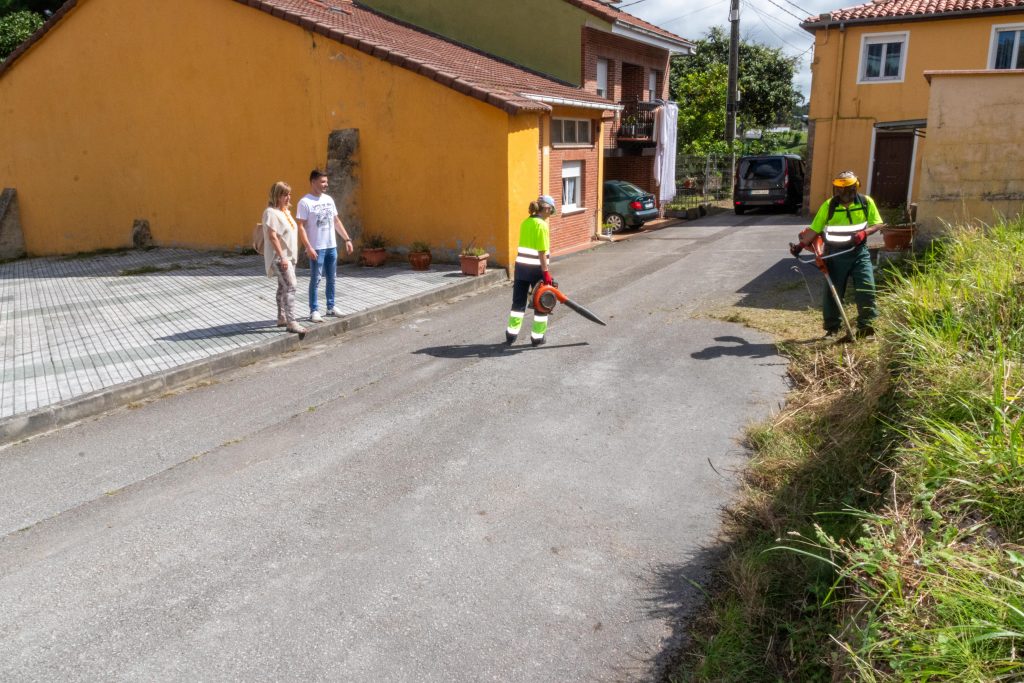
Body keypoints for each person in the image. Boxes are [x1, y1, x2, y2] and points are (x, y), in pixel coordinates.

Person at [790, 170, 884, 337]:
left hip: (858, 252)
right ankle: (832, 329)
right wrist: (800, 245)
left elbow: (878, 224)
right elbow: (814, 229)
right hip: (834, 254)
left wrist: (865, 233)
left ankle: (866, 328)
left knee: (866, 288)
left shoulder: (865, 203)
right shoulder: (829, 205)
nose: (843, 193)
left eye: (847, 189)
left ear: (855, 187)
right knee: (833, 292)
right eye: (839, 190)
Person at [296, 169, 355, 323]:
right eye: (322, 182)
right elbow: (300, 226)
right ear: (313, 182)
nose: (325, 185)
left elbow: (336, 221)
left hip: (331, 246)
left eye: (326, 182)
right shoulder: (305, 202)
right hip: (316, 247)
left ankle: (331, 307)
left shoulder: (328, 199)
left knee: (332, 278)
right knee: (316, 279)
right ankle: (314, 310)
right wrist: (308, 247)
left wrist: (347, 239)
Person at [263, 181, 316, 336]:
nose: (288, 197)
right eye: (284, 194)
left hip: (289, 257)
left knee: (283, 286)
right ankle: (292, 322)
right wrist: (282, 257)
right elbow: (273, 237)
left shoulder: (285, 211)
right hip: (280, 257)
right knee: (291, 286)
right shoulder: (270, 213)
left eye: (289, 194)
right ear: (276, 196)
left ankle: (282, 317)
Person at [505, 195, 556, 347]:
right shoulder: (542, 225)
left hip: (521, 269)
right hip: (536, 271)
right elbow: (541, 251)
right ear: (546, 208)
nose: (551, 214)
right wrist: (545, 272)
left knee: (518, 303)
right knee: (542, 303)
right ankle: (537, 338)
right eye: (551, 210)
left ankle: (511, 335)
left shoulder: (526, 222)